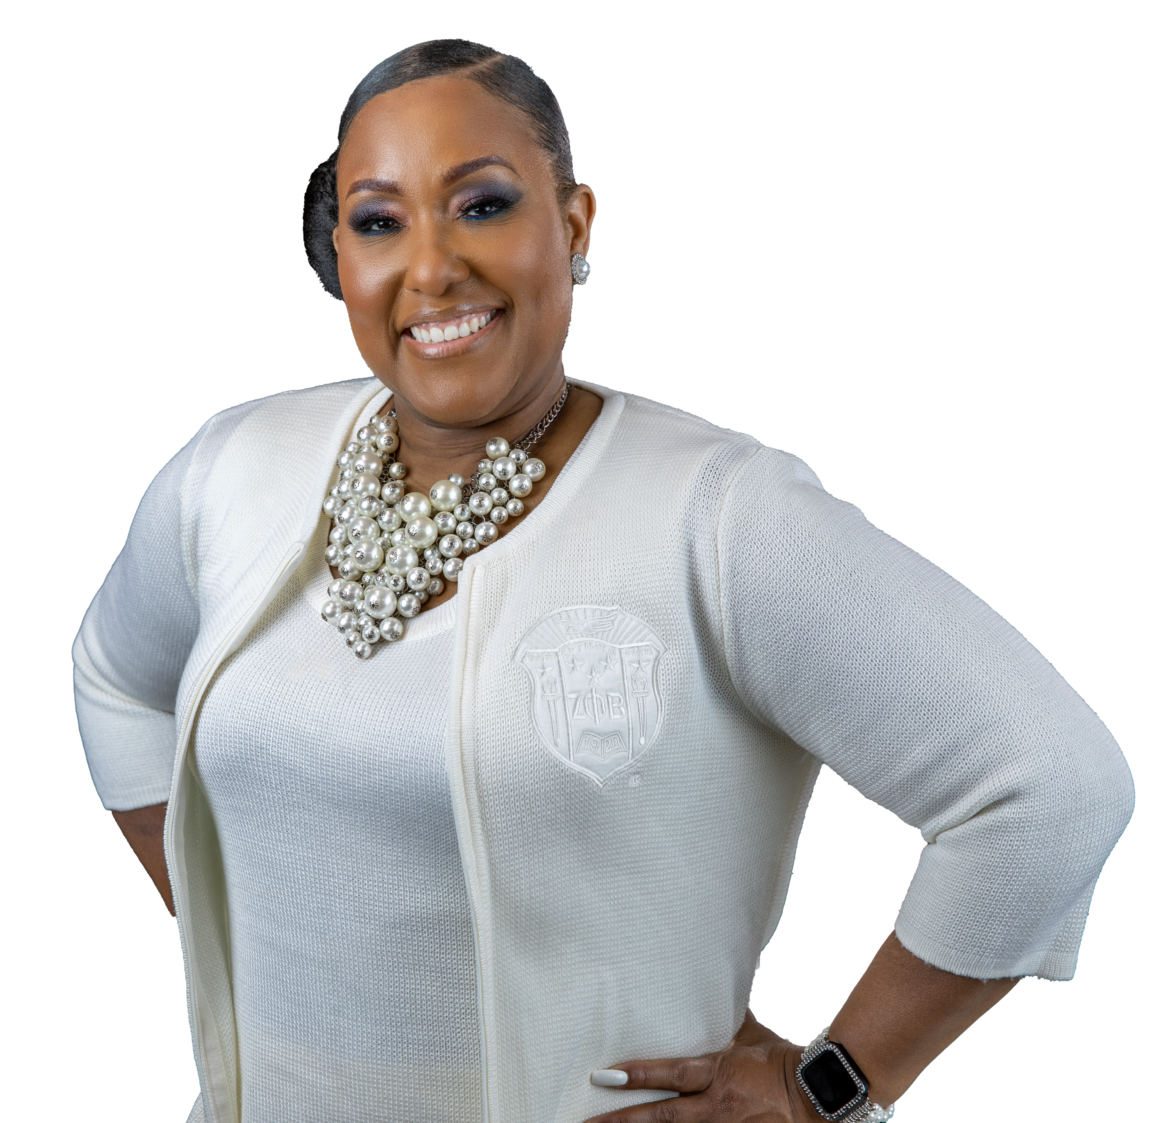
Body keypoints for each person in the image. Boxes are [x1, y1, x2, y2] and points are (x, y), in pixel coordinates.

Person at [71, 39, 1135, 1123]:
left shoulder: (714, 515)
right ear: (338, 252)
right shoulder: (236, 468)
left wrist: (830, 1085)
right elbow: (112, 677)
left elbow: (1048, 786)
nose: (429, 268)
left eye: (482, 205)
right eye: (379, 221)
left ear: (574, 226)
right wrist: (230, 928)